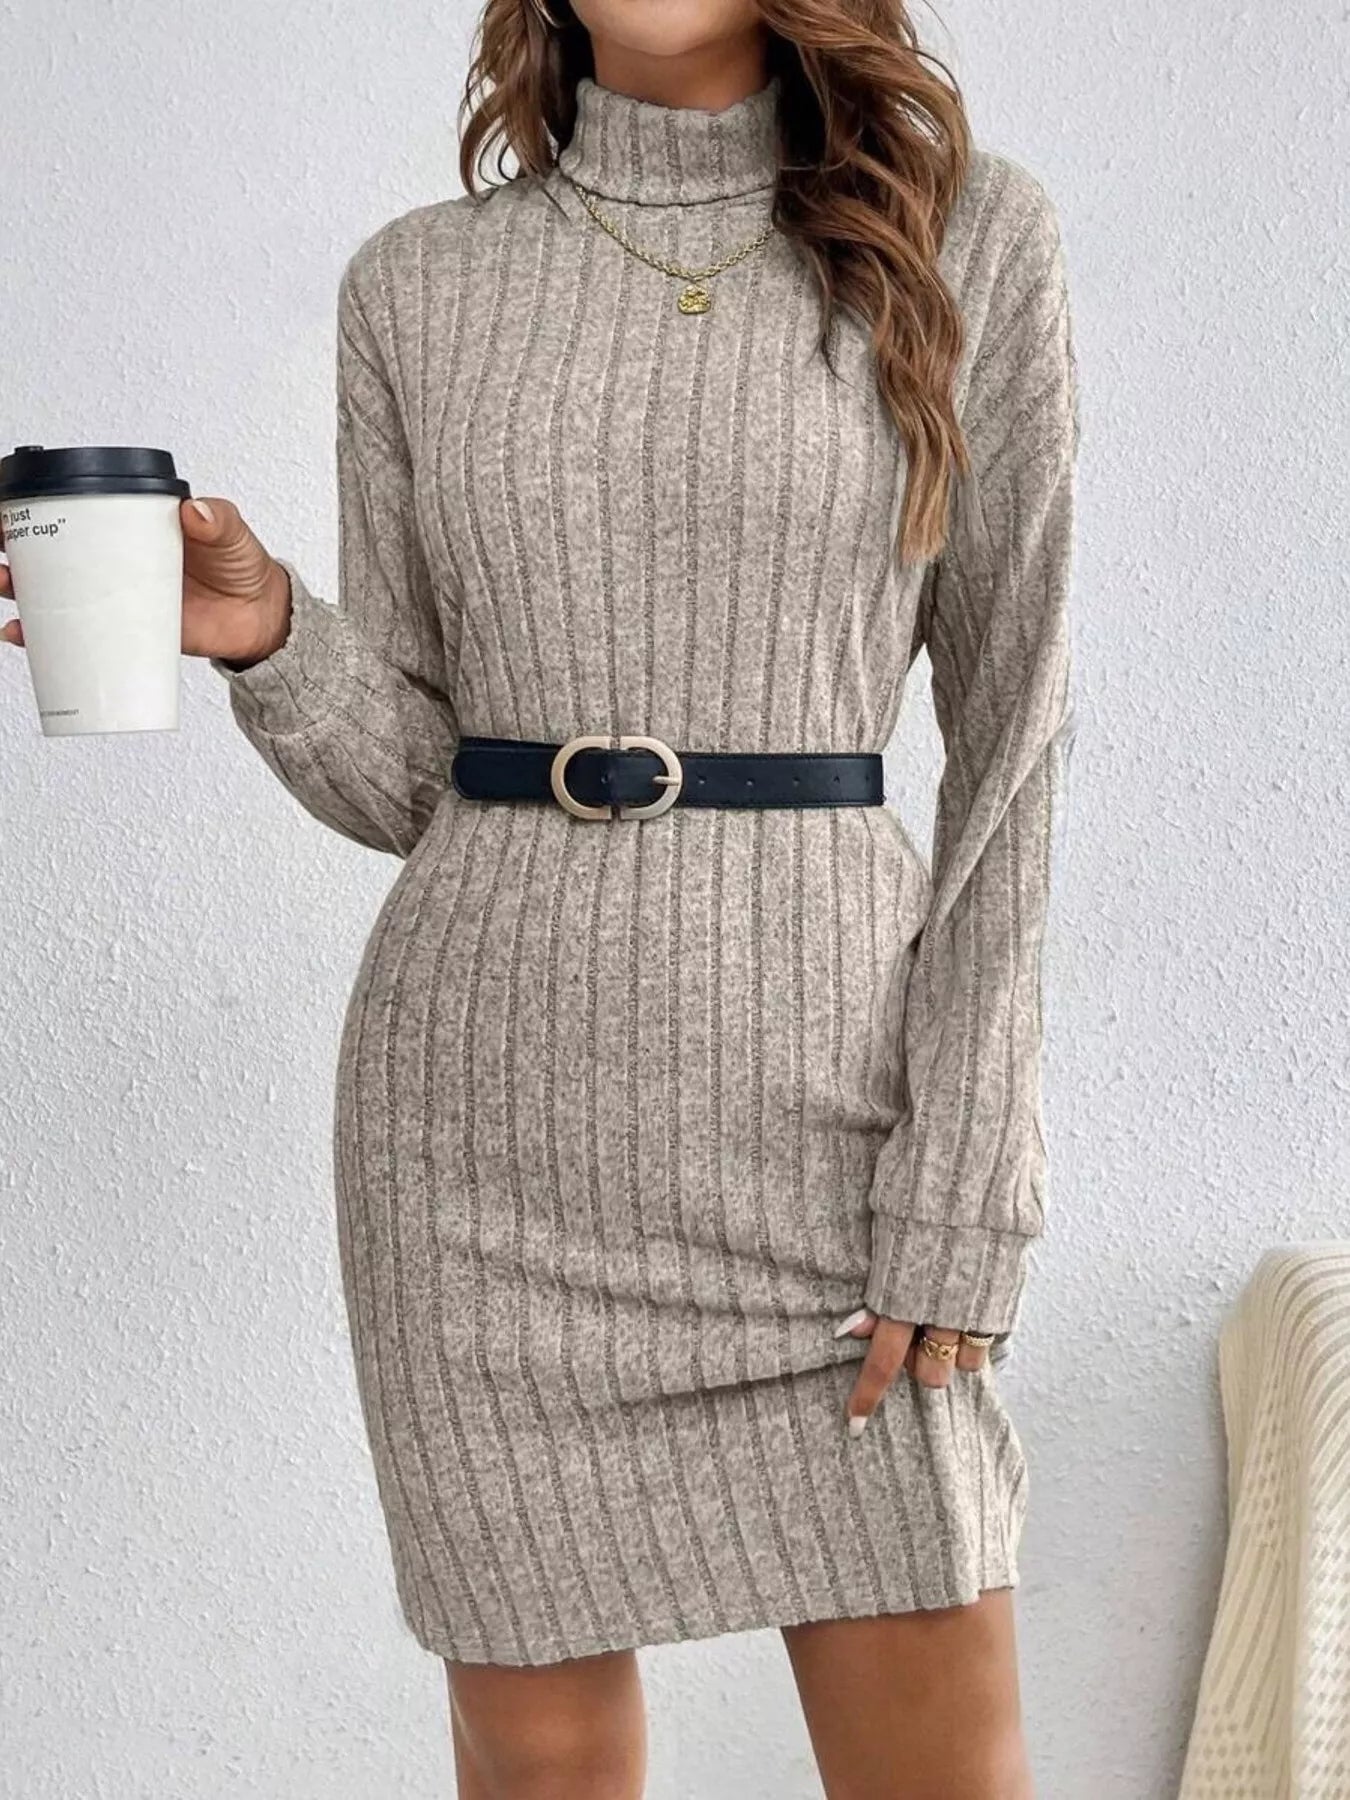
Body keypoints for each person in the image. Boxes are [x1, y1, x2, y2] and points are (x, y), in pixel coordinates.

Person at [0, 2, 1077, 1792]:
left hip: (836, 1124)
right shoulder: (417, 285)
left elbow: (1015, 739)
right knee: (538, 1764)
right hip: (481, 1144)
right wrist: (269, 636)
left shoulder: (964, 233)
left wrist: (971, 1179)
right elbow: (420, 786)